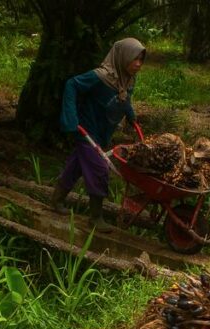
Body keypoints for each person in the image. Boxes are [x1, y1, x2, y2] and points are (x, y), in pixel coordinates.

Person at [50, 37, 146, 231]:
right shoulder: (100, 76)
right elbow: (72, 85)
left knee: (76, 165)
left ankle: (56, 199)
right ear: (122, 57)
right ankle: (95, 218)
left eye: (141, 59)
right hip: (86, 129)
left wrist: (131, 116)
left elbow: (125, 99)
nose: (138, 64)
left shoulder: (126, 78)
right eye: (134, 59)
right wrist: (70, 117)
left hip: (103, 131)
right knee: (100, 168)